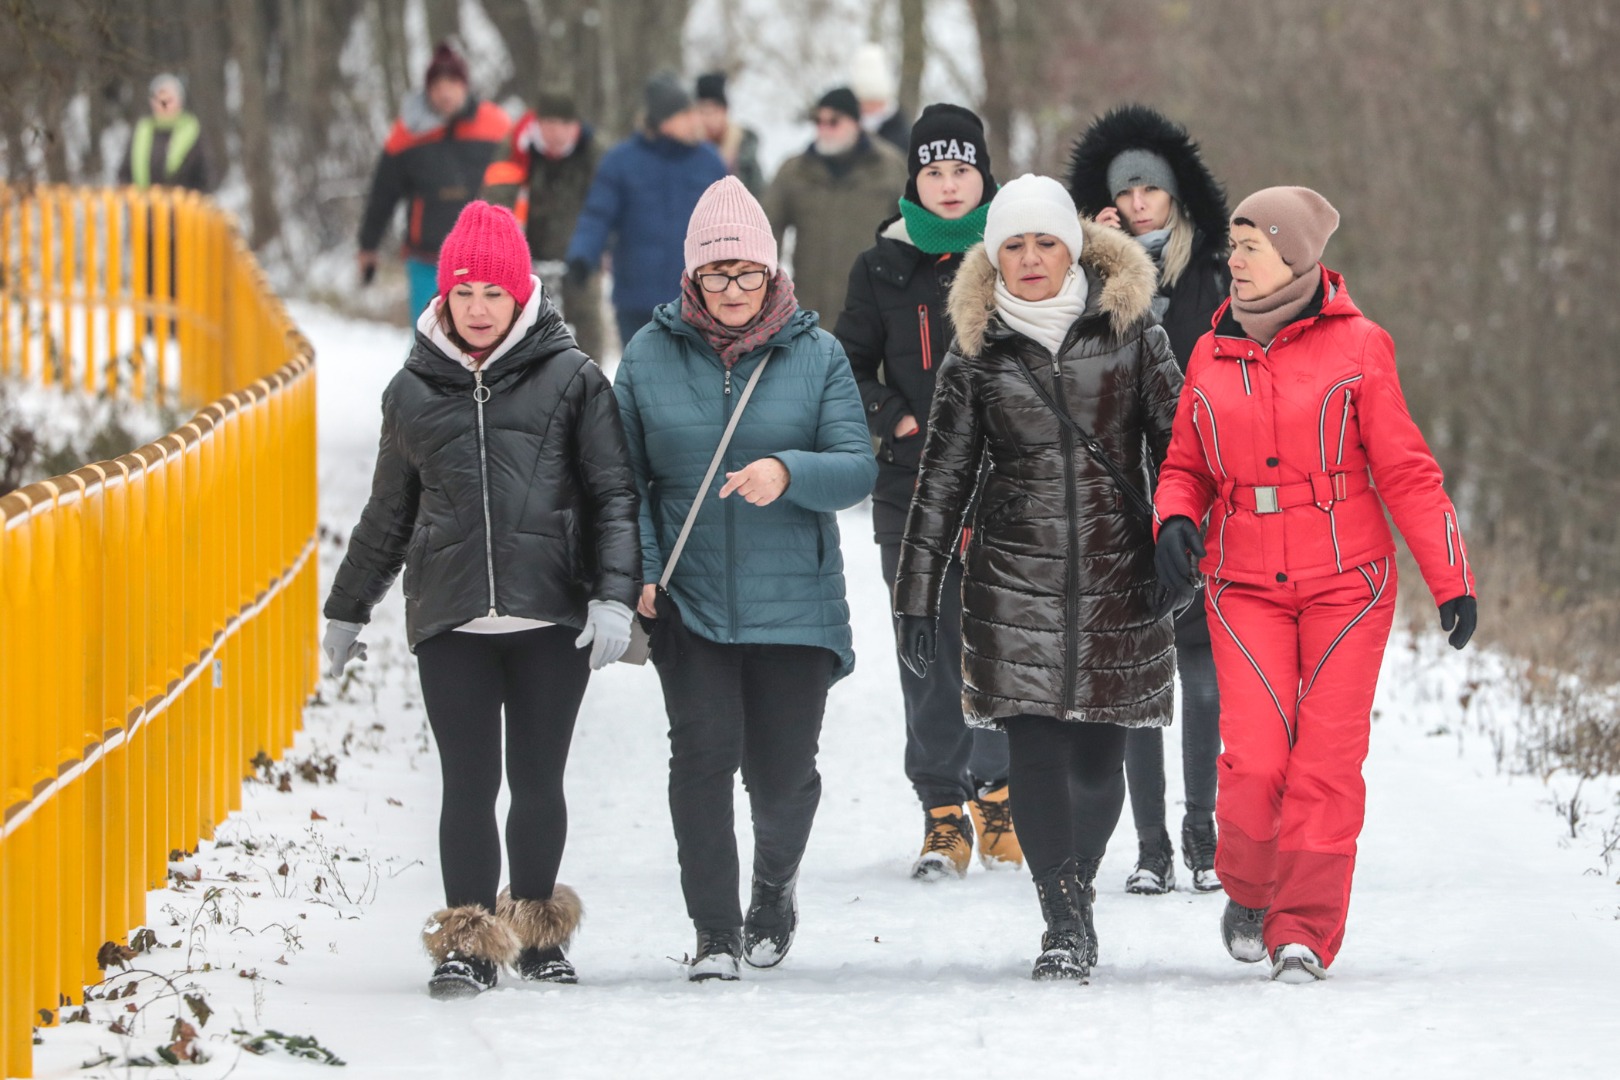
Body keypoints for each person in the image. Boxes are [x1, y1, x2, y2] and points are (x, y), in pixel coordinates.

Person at [1153, 186, 1479, 983]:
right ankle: (1252, 889)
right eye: (1231, 246)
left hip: (1349, 587)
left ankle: (1303, 929)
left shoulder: (1361, 346)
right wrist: (1173, 517)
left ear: (1294, 255)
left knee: (1325, 763)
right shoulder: (1207, 351)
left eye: (1249, 246)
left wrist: (1451, 580)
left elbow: (1406, 470)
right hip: (1243, 584)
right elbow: (1185, 464)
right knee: (1258, 761)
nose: (1233, 259)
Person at [321, 201, 641, 998]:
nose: (477, 308)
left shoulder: (573, 379)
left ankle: (537, 932)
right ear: (445, 294)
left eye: (493, 294)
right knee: (467, 779)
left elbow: (613, 496)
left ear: (521, 293)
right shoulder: (412, 390)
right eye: (464, 293)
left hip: (550, 619)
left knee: (538, 780)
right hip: (451, 620)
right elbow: (388, 513)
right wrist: (347, 606)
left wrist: (614, 598)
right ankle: (467, 936)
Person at [893, 175, 1182, 981]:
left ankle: (1074, 890)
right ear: (994, 254)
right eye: (1012, 245)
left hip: (1119, 577)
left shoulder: (1133, 333)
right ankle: (1064, 918)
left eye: (1043, 242)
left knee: (1098, 765)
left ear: (1072, 247)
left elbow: (1185, 449)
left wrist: (1185, 538)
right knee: (1036, 751)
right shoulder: (975, 349)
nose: (1028, 259)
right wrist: (916, 594)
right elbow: (942, 478)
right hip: (1012, 580)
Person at [614, 177, 877, 982]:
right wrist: (646, 572)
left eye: (748, 274)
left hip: (794, 605)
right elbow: (623, 483)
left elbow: (856, 469)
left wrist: (787, 472)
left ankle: (773, 886)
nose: (733, 291)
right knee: (701, 757)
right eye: (717, 275)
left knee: (782, 775)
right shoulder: (648, 356)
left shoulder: (817, 354)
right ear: (692, 278)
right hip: (689, 604)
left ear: (772, 273)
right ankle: (715, 932)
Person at [833, 103, 1018, 880]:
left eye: (962, 170)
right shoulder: (881, 266)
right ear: (915, 178)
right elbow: (845, 365)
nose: (949, 185)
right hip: (910, 492)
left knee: (1002, 650)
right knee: (927, 651)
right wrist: (894, 416)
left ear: (984, 176)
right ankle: (943, 811)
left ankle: (1000, 796)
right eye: (934, 172)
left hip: (1005, 490)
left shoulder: (1018, 255)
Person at [1067, 104, 1230, 895]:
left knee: (1199, 661)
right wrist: (1102, 259)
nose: (1137, 203)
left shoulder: (1218, 269)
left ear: (1175, 195)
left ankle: (1203, 833)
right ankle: (1152, 846)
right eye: (1123, 192)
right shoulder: (1089, 270)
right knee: (1135, 664)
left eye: (1149, 191)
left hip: (1206, 480)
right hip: (1122, 483)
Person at [566, 72, 727, 351]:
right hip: (636, 300)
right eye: (685, 113)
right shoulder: (620, 162)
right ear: (664, 121)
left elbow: (731, 219)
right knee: (642, 381)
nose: (694, 120)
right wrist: (582, 255)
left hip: (697, 298)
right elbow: (598, 215)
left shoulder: (709, 162)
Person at [357, 42, 511, 319]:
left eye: (452, 83)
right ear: (428, 90)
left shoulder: (497, 125)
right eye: (437, 85)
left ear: (465, 85)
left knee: (482, 341)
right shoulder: (407, 132)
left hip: (485, 257)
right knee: (428, 337)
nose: (445, 92)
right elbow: (383, 193)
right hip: (427, 257)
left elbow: (518, 184)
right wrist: (368, 245)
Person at [480, 89, 606, 360]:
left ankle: (593, 384)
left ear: (576, 127)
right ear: (537, 124)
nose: (557, 133)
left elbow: (607, 205)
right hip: (527, 254)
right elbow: (497, 203)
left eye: (565, 125)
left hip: (581, 252)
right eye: (549, 125)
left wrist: (602, 247)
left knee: (586, 322)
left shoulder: (593, 153)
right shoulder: (516, 149)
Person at [764, 86, 907, 324]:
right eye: (818, 121)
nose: (824, 128)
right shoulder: (795, 171)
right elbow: (766, 228)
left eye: (833, 121)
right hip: (809, 310)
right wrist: (764, 286)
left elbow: (913, 228)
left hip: (871, 311)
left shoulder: (889, 168)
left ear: (855, 122)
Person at [118, 73, 211, 192]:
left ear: (179, 102)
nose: (164, 105)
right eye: (160, 100)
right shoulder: (141, 132)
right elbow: (125, 173)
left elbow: (205, 178)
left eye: (169, 100)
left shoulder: (192, 132)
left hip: (182, 208)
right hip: (143, 207)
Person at [694, 72, 766, 195]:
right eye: (702, 112)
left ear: (725, 111)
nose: (708, 119)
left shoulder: (744, 150)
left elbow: (759, 196)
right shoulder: (691, 149)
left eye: (713, 111)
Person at [851, 43, 910, 152]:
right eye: (862, 102)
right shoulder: (850, 130)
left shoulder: (902, 135)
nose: (866, 108)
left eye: (871, 102)